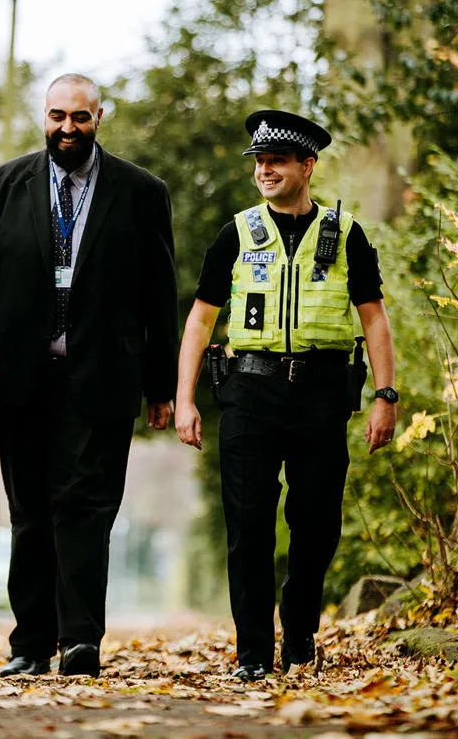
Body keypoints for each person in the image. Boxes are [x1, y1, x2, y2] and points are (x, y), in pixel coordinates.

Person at [0, 73, 179, 677]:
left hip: (101, 378)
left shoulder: (141, 192)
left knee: (85, 507)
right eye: (57, 116)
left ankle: (81, 642)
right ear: (43, 116)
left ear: (99, 117)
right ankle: (30, 646)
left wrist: (162, 387)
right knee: (29, 512)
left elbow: (161, 295)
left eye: (79, 118)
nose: (67, 129)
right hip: (16, 378)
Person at [173, 110, 397, 681]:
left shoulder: (346, 235)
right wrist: (185, 398)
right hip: (249, 391)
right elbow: (200, 322)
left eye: (277, 161)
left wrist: (385, 395)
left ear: (308, 166)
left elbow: (373, 318)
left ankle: (298, 632)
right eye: (259, 162)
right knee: (248, 525)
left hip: (322, 395)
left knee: (317, 525)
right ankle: (252, 653)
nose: (265, 171)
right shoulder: (238, 233)